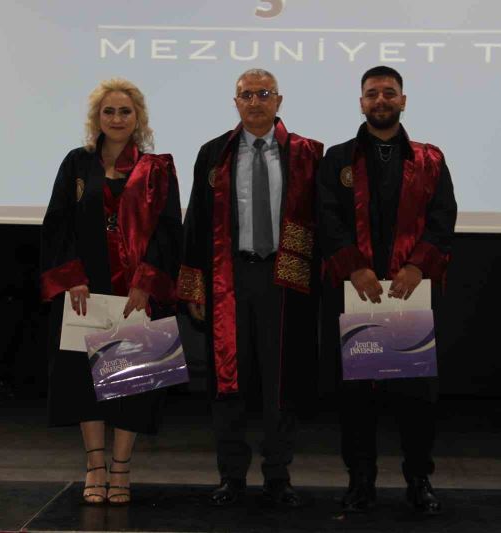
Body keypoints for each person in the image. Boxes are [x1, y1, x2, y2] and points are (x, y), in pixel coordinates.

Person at [178, 69, 322, 507]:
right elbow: (195, 223)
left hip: (286, 280)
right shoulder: (213, 154)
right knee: (228, 382)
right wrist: (194, 287)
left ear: (279, 100)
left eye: (263, 94)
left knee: (281, 383)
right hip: (229, 278)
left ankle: (278, 475)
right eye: (246, 95)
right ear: (235, 102)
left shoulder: (308, 154)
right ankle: (232, 476)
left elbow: (325, 222)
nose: (255, 102)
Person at [317, 66, 457, 514]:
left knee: (417, 398)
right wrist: (353, 267)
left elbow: (443, 218)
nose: (381, 100)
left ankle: (419, 480)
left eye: (389, 93)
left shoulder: (430, 159)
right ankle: (361, 483)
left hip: (410, 295)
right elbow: (326, 219)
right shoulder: (338, 159)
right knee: (356, 397)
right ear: (361, 102)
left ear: (403, 100)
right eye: (372, 93)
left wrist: (418, 266)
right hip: (355, 295)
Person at [40, 78, 182, 505]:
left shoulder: (158, 168)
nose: (117, 118)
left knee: (132, 384)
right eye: (109, 111)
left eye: (125, 111)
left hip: (137, 291)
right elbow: (57, 222)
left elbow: (169, 231)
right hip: (85, 289)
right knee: (84, 381)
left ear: (138, 118)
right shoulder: (76, 163)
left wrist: (147, 281)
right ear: (96, 118)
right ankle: (95, 467)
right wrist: (72, 276)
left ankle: (121, 468)